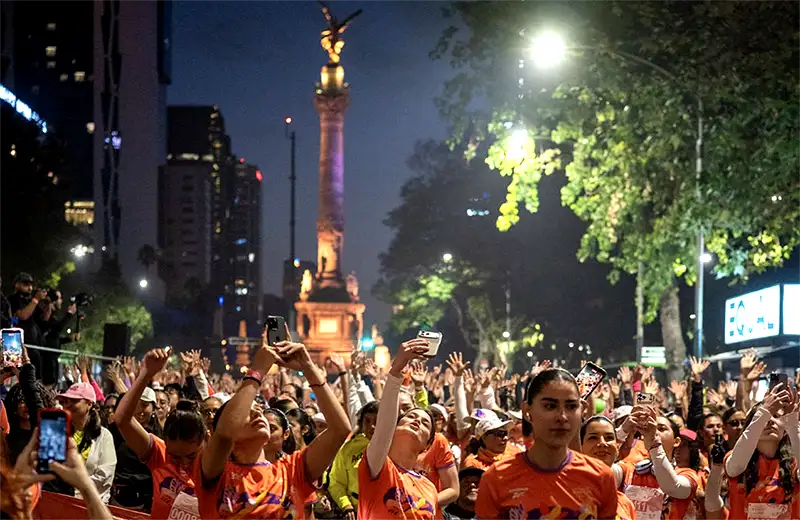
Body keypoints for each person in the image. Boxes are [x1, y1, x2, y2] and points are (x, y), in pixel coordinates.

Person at [195, 336, 351, 519]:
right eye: (247, 411)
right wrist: (256, 372)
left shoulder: (292, 471)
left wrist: (308, 366)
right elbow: (224, 435)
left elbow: (340, 429)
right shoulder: (215, 473)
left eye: (259, 410)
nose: (257, 414)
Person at [475, 368, 617, 519]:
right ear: (527, 411)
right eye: (550, 406)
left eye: (571, 406)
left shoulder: (601, 477)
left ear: (582, 410)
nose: (562, 417)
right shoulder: (496, 479)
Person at [114, 348, 206, 520]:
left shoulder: (217, 467)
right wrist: (145, 374)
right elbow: (122, 420)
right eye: (175, 458)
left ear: (205, 440)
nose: (184, 465)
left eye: (192, 456)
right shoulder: (159, 454)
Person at [358, 338, 438, 519]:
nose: (417, 421)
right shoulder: (378, 466)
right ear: (394, 428)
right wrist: (395, 372)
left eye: (425, 423)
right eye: (410, 416)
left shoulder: (430, 488)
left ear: (427, 445)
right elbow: (384, 423)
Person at [724, 384, 800, 519]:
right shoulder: (734, 457)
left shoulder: (795, 463)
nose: (770, 421)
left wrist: (792, 424)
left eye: (776, 416)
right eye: (765, 418)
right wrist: (763, 412)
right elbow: (735, 467)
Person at [624, 407, 701, 520]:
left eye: (661, 428)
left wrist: (654, 444)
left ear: (677, 442)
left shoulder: (688, 475)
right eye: (651, 428)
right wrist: (623, 431)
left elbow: (672, 486)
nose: (654, 431)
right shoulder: (629, 469)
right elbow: (599, 468)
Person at [54, 382, 117, 503]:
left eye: (75, 400)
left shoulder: (104, 436)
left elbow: (104, 476)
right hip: (60, 504)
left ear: (89, 404)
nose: (68, 405)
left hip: (92, 507)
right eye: (66, 401)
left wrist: (73, 491)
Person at [580, 416, 637, 520]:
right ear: (580, 446)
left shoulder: (625, 503)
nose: (602, 443)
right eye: (593, 438)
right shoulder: (566, 495)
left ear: (617, 447)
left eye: (609, 438)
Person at [329, 401, 379, 519]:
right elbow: (336, 482)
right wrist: (346, 505)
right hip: (356, 512)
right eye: (367, 421)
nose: (372, 426)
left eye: (377, 421)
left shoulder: (394, 446)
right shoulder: (348, 449)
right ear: (360, 423)